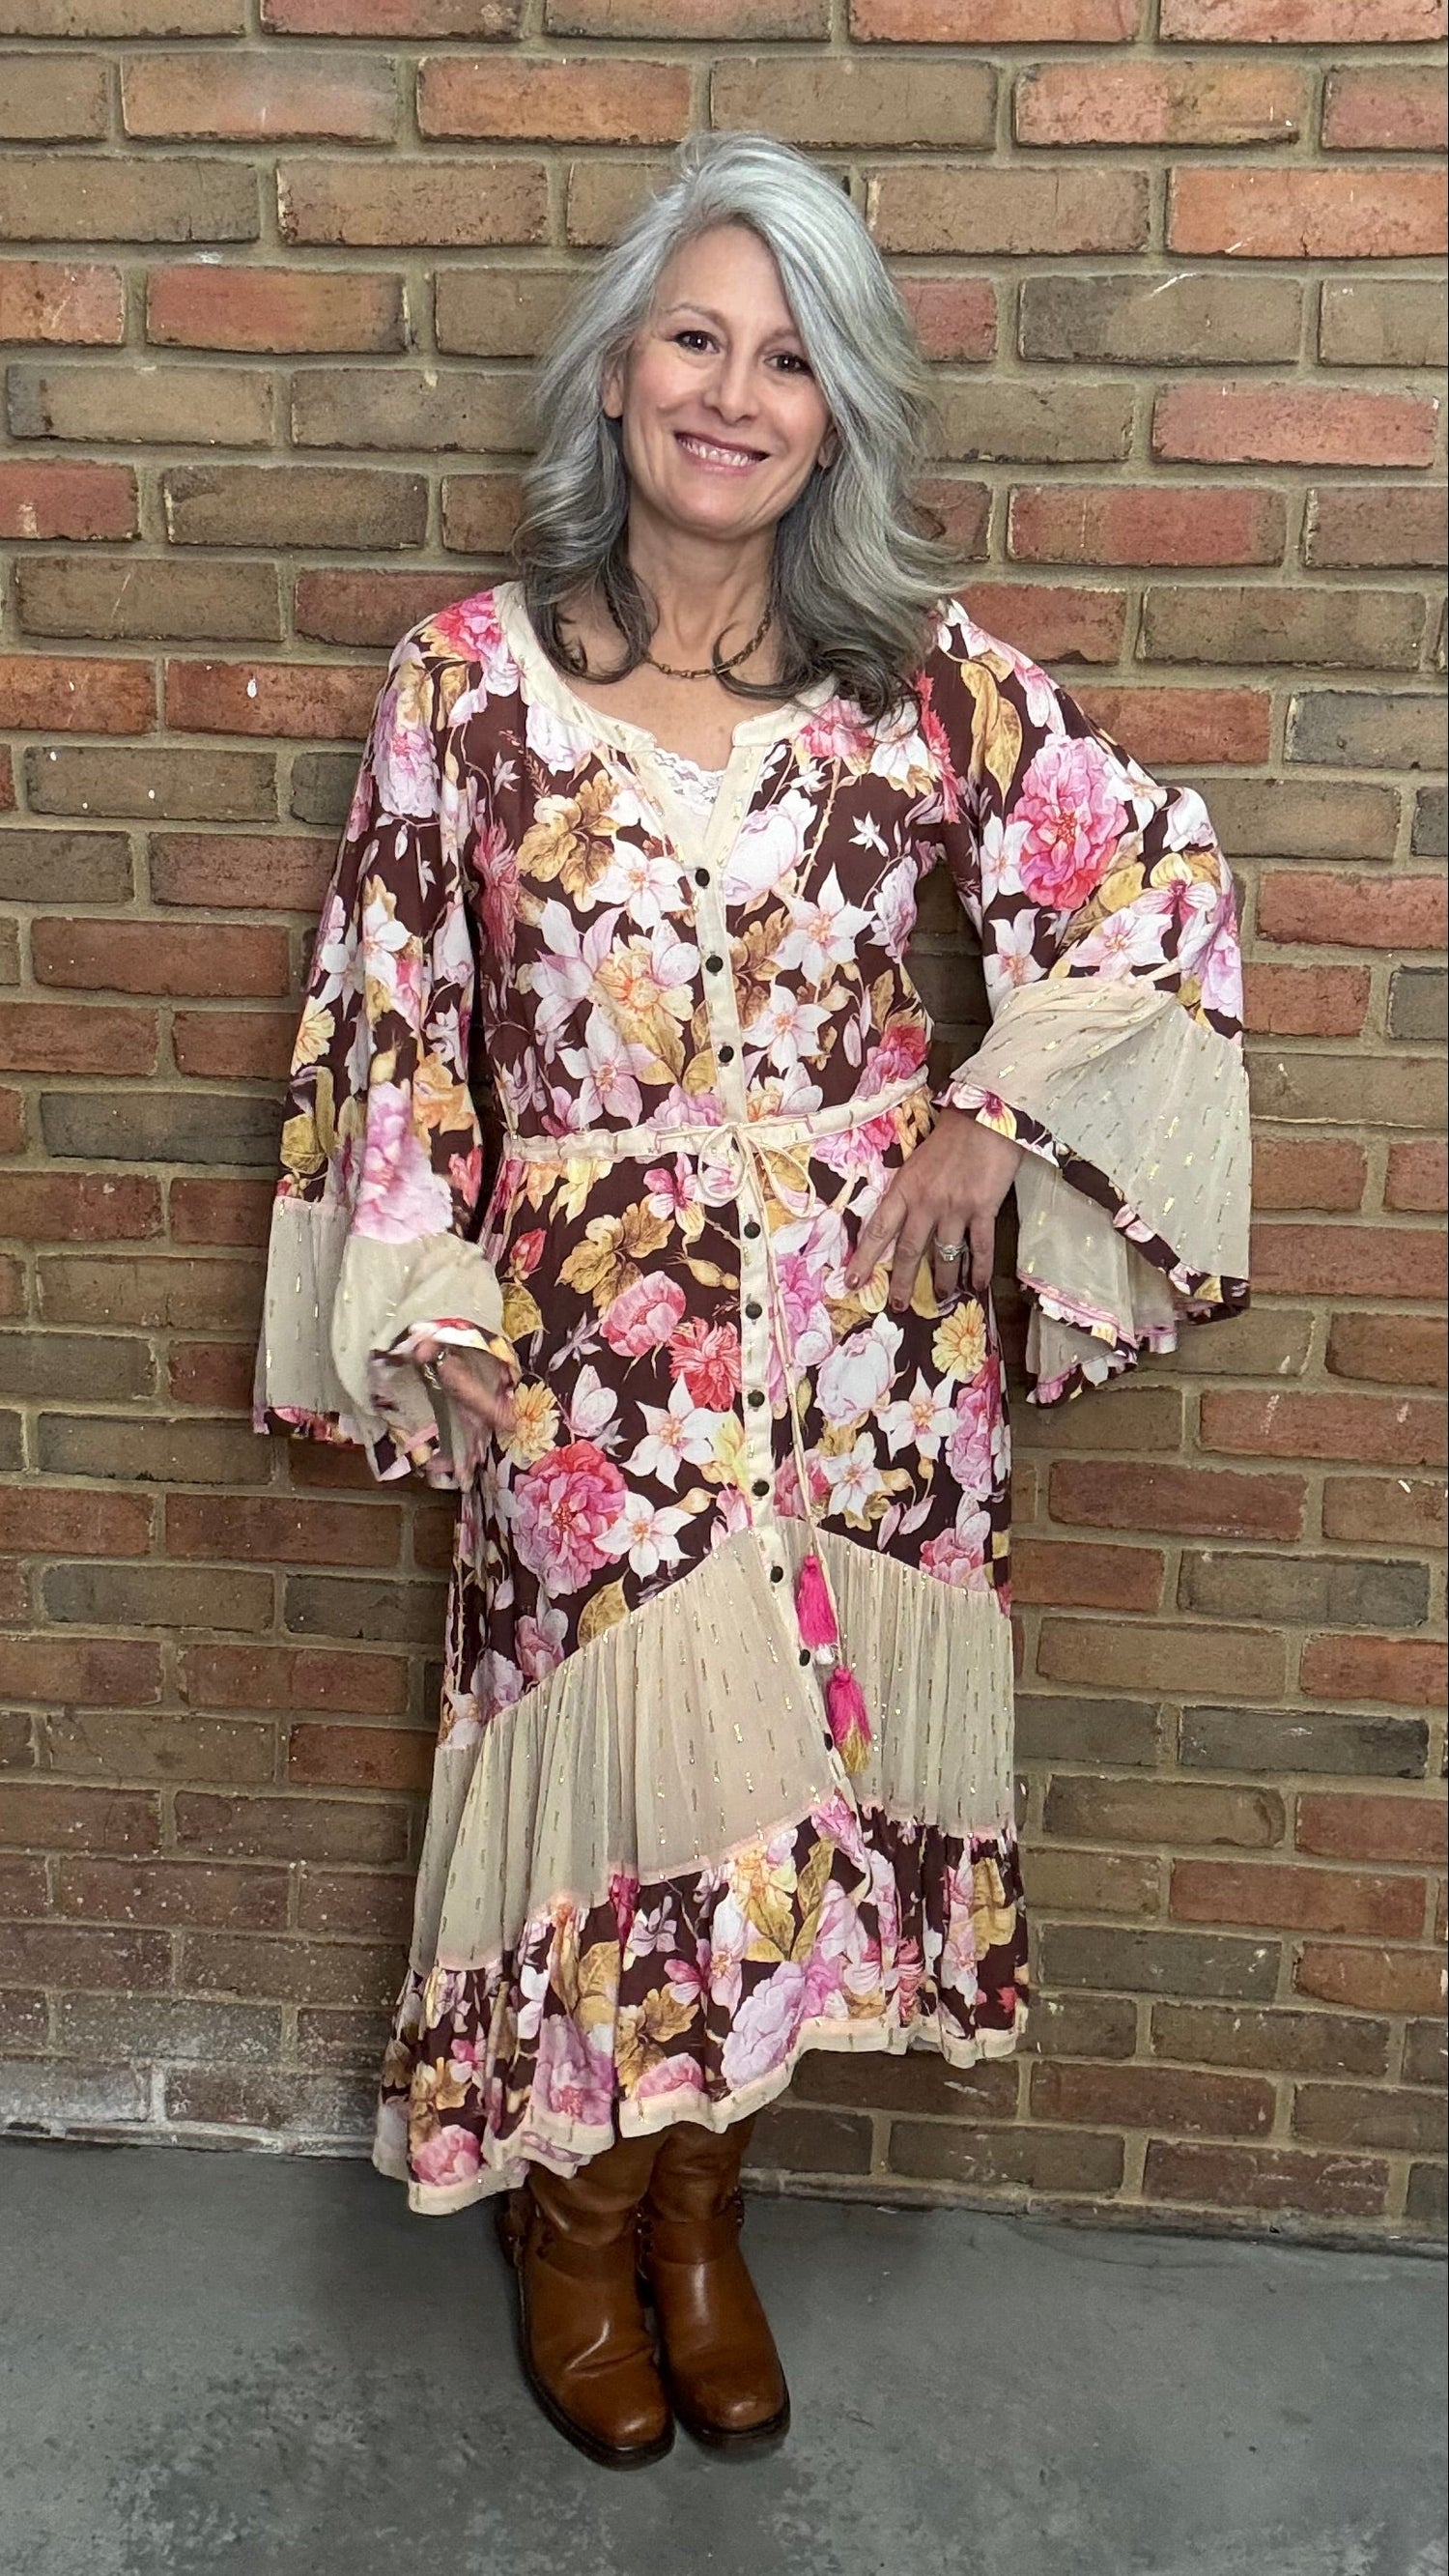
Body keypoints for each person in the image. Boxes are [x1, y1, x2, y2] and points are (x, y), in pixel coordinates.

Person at [254, 129, 1251, 2469]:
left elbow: (1153, 889)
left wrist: (995, 1110)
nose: (736, 392)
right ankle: (578, 2212)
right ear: (614, 379)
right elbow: (394, 1006)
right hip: (591, 1352)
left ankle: (708, 2200)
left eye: (791, 358)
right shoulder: (468, 686)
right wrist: (433, 1290)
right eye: (696, 337)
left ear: (842, 414)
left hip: (870, 1348)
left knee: (803, 1792)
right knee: (627, 1778)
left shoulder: (919, 685)